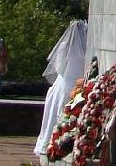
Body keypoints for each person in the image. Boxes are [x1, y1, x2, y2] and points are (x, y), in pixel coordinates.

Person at [34, 20, 88, 156]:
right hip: (74, 83)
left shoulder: (64, 46)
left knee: (55, 115)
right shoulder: (86, 47)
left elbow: (59, 67)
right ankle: (58, 144)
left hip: (63, 82)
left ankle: (50, 143)